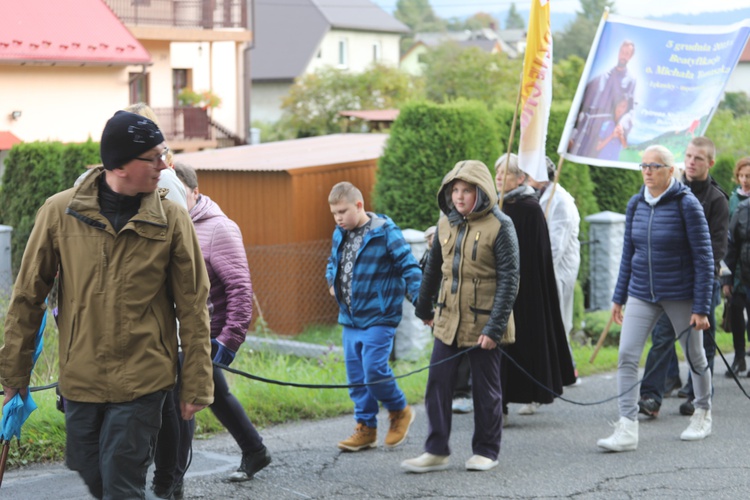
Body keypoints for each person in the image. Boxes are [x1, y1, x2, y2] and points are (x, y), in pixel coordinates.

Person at [0, 110, 214, 498]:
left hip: (144, 378)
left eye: (163, 153)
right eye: (152, 157)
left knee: (121, 480)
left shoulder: (172, 218)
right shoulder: (60, 213)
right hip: (82, 377)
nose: (164, 165)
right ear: (119, 164)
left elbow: (194, 304)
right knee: (87, 465)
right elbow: (27, 298)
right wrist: (14, 375)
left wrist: (197, 382)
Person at [402, 160, 519, 473]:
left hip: (484, 322)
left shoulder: (500, 225)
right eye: (455, 190)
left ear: (480, 192)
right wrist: (423, 308)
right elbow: (433, 269)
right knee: (437, 385)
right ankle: (436, 450)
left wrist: (494, 329)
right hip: (448, 319)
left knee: (486, 390)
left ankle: (486, 450)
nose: (459, 196)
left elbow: (510, 278)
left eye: (466, 190)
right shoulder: (446, 223)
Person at [160, 162, 271, 491]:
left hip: (207, 334)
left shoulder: (218, 228)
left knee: (184, 402)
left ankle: (172, 482)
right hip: (178, 332)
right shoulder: (168, 223)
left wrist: (229, 341)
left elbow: (240, 287)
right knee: (216, 395)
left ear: (194, 192)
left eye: (180, 193)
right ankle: (255, 450)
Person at [598, 145, 714, 452]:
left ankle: (702, 412)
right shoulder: (636, 203)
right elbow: (628, 255)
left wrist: (702, 307)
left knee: (695, 355)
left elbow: (704, 257)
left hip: (680, 292)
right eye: (644, 166)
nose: (647, 171)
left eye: (654, 166)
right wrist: (618, 297)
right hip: (641, 292)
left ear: (670, 170)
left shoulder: (686, 204)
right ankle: (627, 427)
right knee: (626, 355)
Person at [637, 137, 728, 418]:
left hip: (701, 281)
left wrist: (701, 284)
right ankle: (650, 396)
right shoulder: (670, 191)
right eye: (688, 156)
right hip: (670, 281)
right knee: (662, 336)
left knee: (701, 341)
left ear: (709, 163)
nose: (691, 162)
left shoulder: (717, 199)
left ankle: (696, 394)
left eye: (698, 158)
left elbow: (715, 249)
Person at [326, 181, 420, 452]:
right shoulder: (339, 233)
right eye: (334, 213)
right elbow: (332, 261)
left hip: (379, 316)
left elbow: (409, 267)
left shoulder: (385, 232)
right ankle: (366, 428)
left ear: (359, 205)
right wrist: (331, 280)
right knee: (356, 377)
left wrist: (423, 305)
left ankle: (399, 410)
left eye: (343, 211)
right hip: (350, 319)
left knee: (374, 369)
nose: (338, 218)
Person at [495, 154, 577, 417]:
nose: (498, 178)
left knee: (523, 340)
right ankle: (498, 400)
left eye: (505, 173)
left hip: (525, 286)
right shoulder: (495, 205)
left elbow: (546, 250)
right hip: (497, 286)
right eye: (496, 173)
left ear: (521, 178)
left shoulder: (530, 208)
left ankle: (525, 394)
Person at [569, 40, 636, 159]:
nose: (623, 55)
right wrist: (572, 134)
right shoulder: (600, 77)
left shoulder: (630, 81)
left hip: (604, 131)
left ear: (631, 56)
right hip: (585, 126)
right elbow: (580, 104)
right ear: (618, 52)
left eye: (627, 53)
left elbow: (630, 110)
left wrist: (621, 124)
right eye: (622, 52)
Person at [723, 157, 750, 376]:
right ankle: (739, 358)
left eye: (748, 176)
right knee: (735, 312)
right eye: (741, 176)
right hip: (738, 268)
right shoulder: (733, 200)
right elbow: (729, 241)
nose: (744, 180)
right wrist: (726, 278)